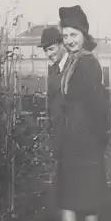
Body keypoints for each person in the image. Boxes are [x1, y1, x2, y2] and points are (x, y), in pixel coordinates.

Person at [57, 5, 111, 221]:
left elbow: (98, 104)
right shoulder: (70, 62)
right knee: (68, 190)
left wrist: (99, 134)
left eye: (73, 35)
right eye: (65, 36)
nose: (69, 40)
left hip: (87, 136)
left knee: (88, 191)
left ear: (84, 34)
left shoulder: (88, 62)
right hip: (69, 136)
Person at [38, 27, 69, 168]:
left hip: (75, 136)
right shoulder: (53, 71)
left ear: (62, 44)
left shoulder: (77, 66)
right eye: (46, 51)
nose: (48, 54)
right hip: (58, 137)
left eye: (51, 49)